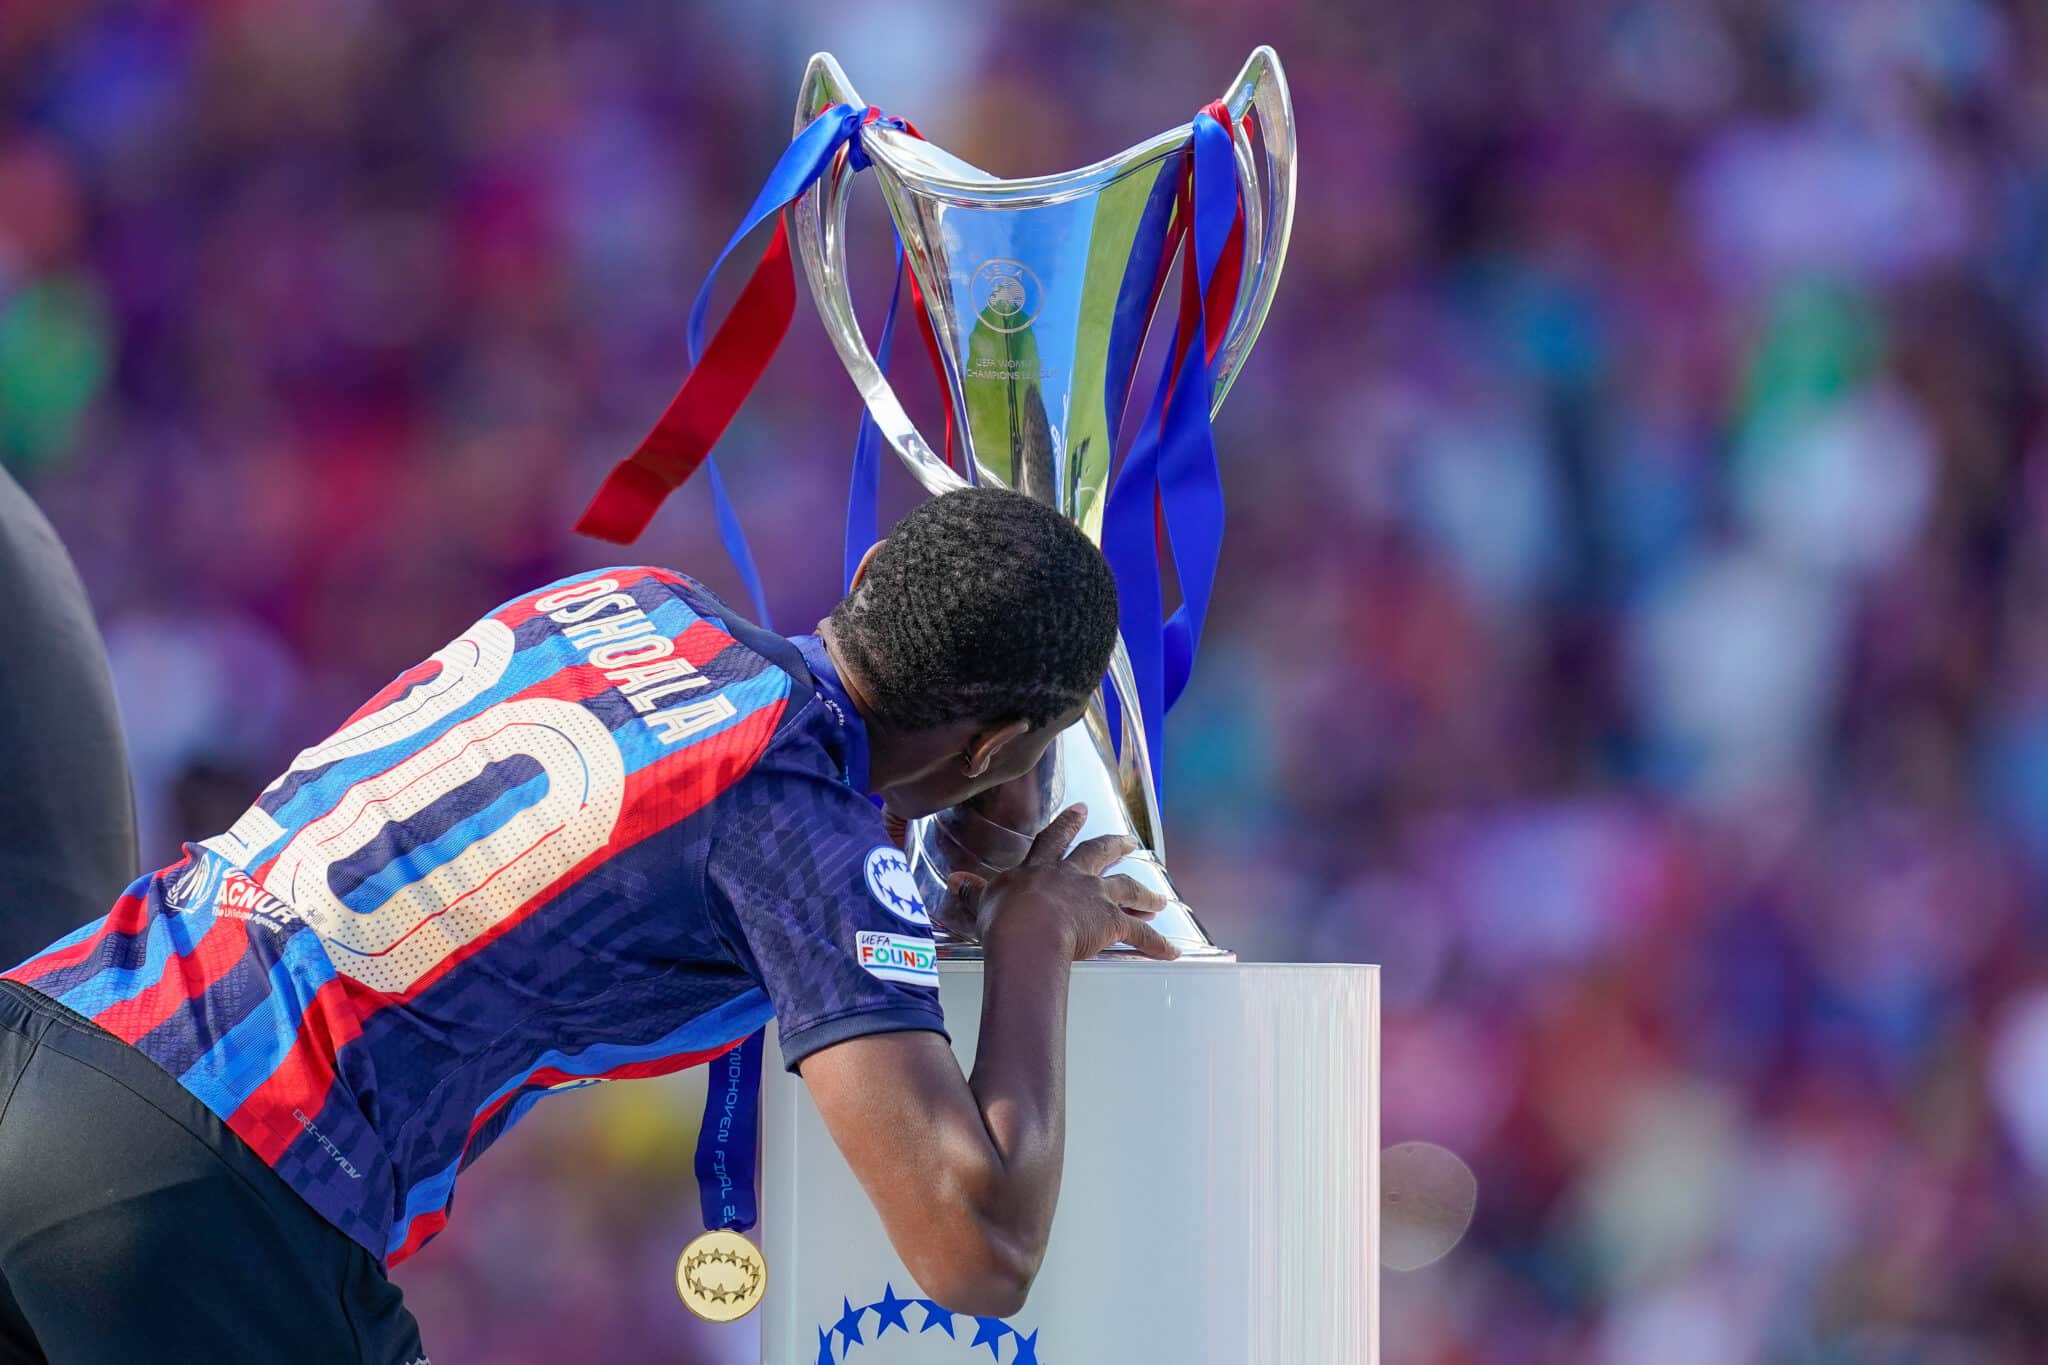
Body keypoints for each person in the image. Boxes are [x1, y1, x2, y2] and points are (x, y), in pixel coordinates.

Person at [0, 487, 1175, 1365]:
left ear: (867, 572)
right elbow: (975, 1250)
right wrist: (1030, 932)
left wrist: (938, 833)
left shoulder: (633, 596)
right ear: (996, 745)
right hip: (215, 1183)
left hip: (46, 1026)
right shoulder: (803, 839)